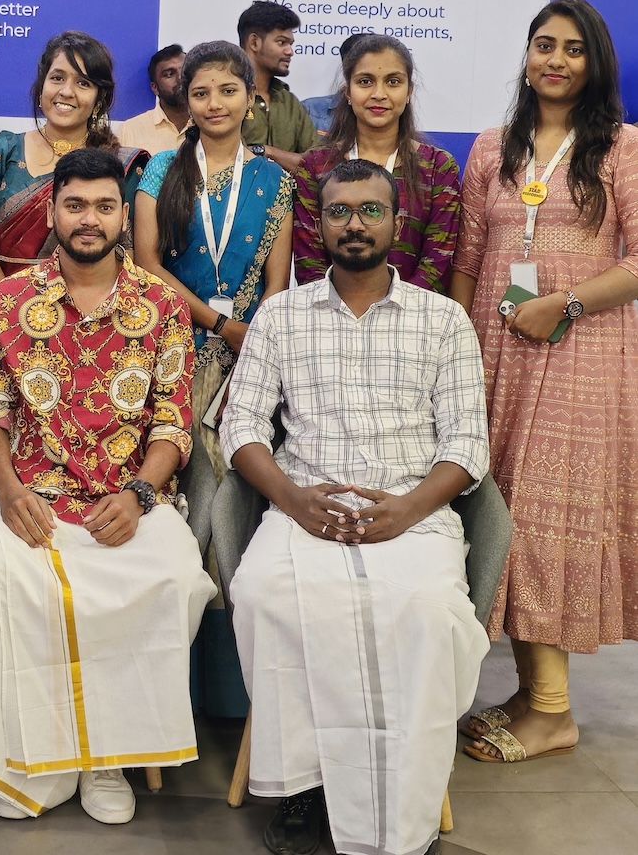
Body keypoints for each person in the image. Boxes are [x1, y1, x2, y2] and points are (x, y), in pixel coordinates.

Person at [0, 148, 214, 823]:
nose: (90, 220)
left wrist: (141, 494)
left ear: (124, 215)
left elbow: (175, 422)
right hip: (29, 497)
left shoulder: (161, 305)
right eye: (76, 205)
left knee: (172, 582)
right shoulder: (4, 300)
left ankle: (107, 755)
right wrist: (7, 492)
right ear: (52, 209)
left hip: (129, 500)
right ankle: (31, 751)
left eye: (105, 207)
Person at [222, 159, 491, 855]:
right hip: (305, 504)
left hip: (414, 513)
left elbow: (467, 441)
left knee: (429, 615)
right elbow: (241, 427)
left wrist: (406, 509)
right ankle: (304, 787)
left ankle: (405, 798)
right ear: (319, 223)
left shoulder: (444, 320)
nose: (355, 223)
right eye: (339, 210)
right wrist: (291, 498)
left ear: (397, 223)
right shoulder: (281, 316)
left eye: (371, 210)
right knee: (264, 594)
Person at [450, 0, 638, 765]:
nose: (555, 61)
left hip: (580, 355)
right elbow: (466, 261)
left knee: (544, 518)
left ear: (595, 63)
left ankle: (554, 712)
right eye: (542, 46)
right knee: (502, 512)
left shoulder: (621, 147)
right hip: (494, 356)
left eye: (572, 49)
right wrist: (454, 357)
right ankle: (531, 694)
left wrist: (562, 302)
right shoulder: (494, 147)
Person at [133, 41, 293, 495]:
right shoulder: (161, 170)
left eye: (227, 90)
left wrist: (253, 342)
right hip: (167, 344)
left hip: (247, 354)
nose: (214, 103)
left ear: (250, 99)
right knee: (170, 473)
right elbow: (147, 265)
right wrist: (223, 325)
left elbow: (277, 283)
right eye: (201, 93)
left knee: (230, 481)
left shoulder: (274, 179)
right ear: (187, 101)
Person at [0, 31, 151, 289]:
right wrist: (11, 307)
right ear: (41, 88)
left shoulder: (121, 163)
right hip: (6, 308)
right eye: (57, 78)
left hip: (90, 310)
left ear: (98, 99)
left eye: (83, 83)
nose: (66, 91)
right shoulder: (5, 150)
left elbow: (128, 257)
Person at [293, 34, 462, 292]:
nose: (379, 94)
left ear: (409, 92)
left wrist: (396, 312)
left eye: (393, 82)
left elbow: (437, 263)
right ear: (347, 92)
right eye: (365, 82)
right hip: (329, 321)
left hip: (413, 321)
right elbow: (309, 263)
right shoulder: (315, 166)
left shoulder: (438, 168)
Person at [237, 1, 316, 175]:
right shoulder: (230, 97)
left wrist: (266, 151)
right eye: (281, 43)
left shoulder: (289, 102)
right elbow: (232, 160)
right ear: (254, 42)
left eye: (291, 44)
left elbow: (316, 165)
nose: (290, 51)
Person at [115, 43, 190, 157]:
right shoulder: (130, 130)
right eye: (169, 74)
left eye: (184, 72)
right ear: (155, 88)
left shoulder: (210, 122)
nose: (180, 78)